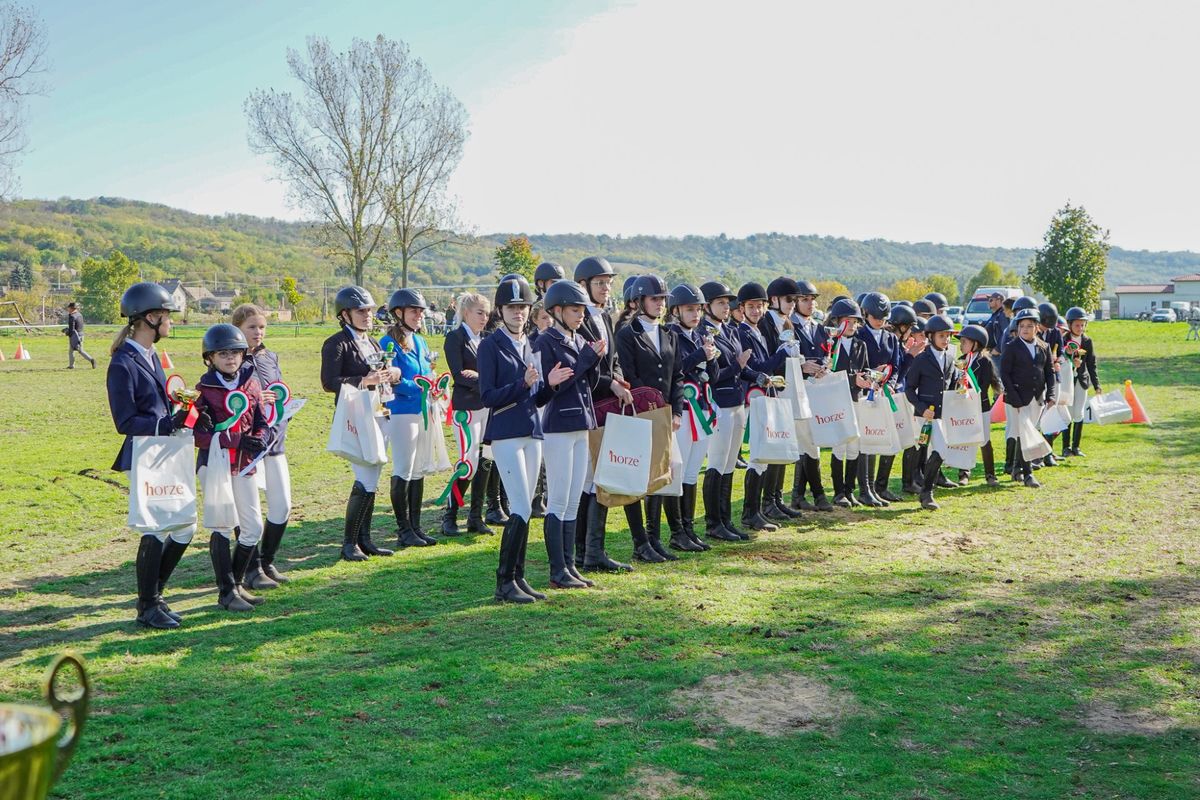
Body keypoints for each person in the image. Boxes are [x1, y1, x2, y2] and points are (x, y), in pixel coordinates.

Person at [106, 283, 198, 629]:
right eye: (167, 317)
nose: (171, 323)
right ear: (151, 318)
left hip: (165, 449)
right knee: (157, 529)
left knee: (186, 526)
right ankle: (147, 606)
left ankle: (155, 595)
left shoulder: (151, 357)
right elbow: (124, 420)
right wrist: (165, 422)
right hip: (144, 453)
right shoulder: (123, 363)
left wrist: (184, 413)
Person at [478, 274, 568, 602]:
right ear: (500, 310)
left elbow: (537, 396)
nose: (518, 312)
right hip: (505, 433)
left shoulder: (531, 343)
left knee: (527, 508)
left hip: (532, 431)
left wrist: (551, 384)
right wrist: (522, 384)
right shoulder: (490, 345)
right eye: (512, 307)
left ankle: (518, 577)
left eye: (523, 307)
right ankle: (504, 582)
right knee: (517, 505)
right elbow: (488, 395)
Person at [320, 286, 401, 562]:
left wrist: (390, 375)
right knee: (364, 477)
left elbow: (382, 374)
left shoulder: (375, 342)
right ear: (345, 314)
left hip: (379, 412)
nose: (367, 315)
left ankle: (365, 540)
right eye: (360, 311)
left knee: (374, 474)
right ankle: (348, 543)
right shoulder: (336, 343)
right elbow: (329, 383)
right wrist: (363, 381)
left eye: (368, 310)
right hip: (355, 415)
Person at [192, 323, 270, 611]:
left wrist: (261, 437)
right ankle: (226, 592)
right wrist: (234, 438)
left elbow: (262, 420)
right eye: (222, 353)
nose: (230, 358)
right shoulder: (201, 391)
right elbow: (197, 434)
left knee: (252, 527)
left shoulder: (251, 382)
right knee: (224, 525)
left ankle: (236, 584)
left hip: (245, 463)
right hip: (215, 463)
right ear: (210, 358)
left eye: (235, 352)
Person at [534, 279, 604, 588]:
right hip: (559, 424)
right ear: (558, 310)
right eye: (575, 310)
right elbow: (554, 387)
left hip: (580, 422)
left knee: (575, 498)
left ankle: (570, 566)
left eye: (582, 310)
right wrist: (587, 360)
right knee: (559, 499)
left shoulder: (577, 340)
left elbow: (586, 380)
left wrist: (594, 361)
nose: (580, 316)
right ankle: (556, 570)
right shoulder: (545, 341)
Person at [615, 275, 688, 563]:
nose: (660, 304)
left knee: (661, 474)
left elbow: (677, 375)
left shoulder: (670, 333)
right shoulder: (626, 334)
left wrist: (678, 411)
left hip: (665, 414)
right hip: (639, 413)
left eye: (662, 299)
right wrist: (648, 408)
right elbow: (629, 375)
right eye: (655, 299)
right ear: (639, 301)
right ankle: (639, 542)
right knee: (636, 477)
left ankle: (654, 537)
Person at [573, 257, 635, 573]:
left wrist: (619, 379)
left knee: (598, 476)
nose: (606, 288)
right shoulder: (579, 321)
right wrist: (611, 383)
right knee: (589, 477)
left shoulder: (606, 317)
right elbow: (587, 369)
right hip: (589, 403)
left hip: (608, 402)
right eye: (600, 283)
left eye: (608, 283)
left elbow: (614, 360)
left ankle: (591, 549)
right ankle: (585, 549)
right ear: (583, 286)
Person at [233, 304, 294, 590]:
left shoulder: (270, 356)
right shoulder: (232, 360)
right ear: (238, 329)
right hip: (247, 445)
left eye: (261, 327)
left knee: (282, 506)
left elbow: (278, 391)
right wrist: (258, 401)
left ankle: (267, 561)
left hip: (275, 441)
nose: (258, 332)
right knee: (250, 512)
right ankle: (251, 568)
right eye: (251, 327)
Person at [699, 280, 762, 543]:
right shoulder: (705, 333)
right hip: (719, 404)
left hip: (737, 403)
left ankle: (726, 519)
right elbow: (713, 376)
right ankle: (714, 522)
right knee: (716, 463)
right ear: (708, 306)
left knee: (728, 465)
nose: (727, 307)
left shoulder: (730, 330)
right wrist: (738, 367)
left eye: (727, 303)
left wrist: (758, 375)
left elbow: (741, 368)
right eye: (721, 303)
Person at [380, 288, 440, 548]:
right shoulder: (387, 343)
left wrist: (434, 385)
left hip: (422, 410)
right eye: (414, 311)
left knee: (417, 471)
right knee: (403, 468)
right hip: (402, 411)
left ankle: (416, 526)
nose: (419, 315)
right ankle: (403, 529)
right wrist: (417, 385)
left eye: (420, 311)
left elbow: (426, 372)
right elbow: (390, 380)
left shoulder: (421, 341)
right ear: (399, 312)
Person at [664, 283, 721, 552]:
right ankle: (677, 531)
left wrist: (710, 358)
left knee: (692, 472)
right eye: (689, 309)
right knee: (679, 470)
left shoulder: (701, 335)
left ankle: (688, 526)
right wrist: (700, 355)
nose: (695, 314)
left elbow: (715, 376)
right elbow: (676, 369)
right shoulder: (671, 334)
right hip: (683, 410)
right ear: (676, 311)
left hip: (702, 408)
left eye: (698, 309)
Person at [442, 292, 500, 536]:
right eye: (480, 313)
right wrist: (487, 381)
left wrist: (483, 380)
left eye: (487, 313)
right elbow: (459, 375)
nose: (484, 318)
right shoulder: (454, 338)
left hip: (487, 407)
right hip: (466, 409)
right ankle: (450, 515)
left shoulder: (487, 339)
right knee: (468, 463)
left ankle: (476, 516)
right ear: (466, 312)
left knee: (486, 459)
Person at [735, 281, 789, 530]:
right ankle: (750, 511)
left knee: (764, 455)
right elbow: (758, 366)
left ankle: (756, 509)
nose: (756, 310)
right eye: (751, 306)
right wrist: (783, 352)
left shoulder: (760, 331)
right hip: (752, 396)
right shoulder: (741, 332)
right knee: (757, 455)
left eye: (760, 306)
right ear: (743, 308)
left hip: (765, 394)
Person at [758, 277, 804, 522]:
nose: (793, 304)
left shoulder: (788, 323)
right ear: (774, 299)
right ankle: (767, 501)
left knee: (785, 442)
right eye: (789, 299)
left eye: (795, 300)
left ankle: (776, 498)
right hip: (770, 389)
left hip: (787, 388)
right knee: (773, 444)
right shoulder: (765, 323)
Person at [904, 313, 961, 509]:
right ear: (931, 336)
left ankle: (926, 491)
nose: (945, 340)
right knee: (936, 449)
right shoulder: (921, 359)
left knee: (938, 451)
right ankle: (926, 493)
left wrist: (960, 386)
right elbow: (909, 389)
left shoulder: (950, 358)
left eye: (947, 336)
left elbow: (951, 385)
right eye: (941, 336)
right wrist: (920, 408)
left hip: (943, 414)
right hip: (925, 415)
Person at [788, 279, 833, 511]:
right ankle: (818, 494)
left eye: (812, 300)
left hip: (817, 390)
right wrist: (801, 365)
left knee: (811, 442)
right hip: (799, 389)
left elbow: (825, 353)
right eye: (805, 300)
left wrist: (826, 365)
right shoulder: (789, 326)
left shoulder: (819, 328)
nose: (810, 304)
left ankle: (798, 494)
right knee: (809, 443)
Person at [999, 308, 1056, 488]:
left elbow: (1050, 372)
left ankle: (1017, 468)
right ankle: (1028, 473)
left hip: (1037, 397)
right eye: (1022, 326)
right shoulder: (1011, 347)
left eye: (1029, 326)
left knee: (1028, 432)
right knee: (1024, 435)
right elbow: (1005, 374)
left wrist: (1051, 394)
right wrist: (1014, 397)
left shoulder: (1044, 347)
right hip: (1017, 398)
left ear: (1037, 327)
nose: (1025, 329)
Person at [824, 298, 873, 507]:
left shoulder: (861, 345)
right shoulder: (831, 344)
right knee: (839, 446)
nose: (852, 325)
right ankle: (838, 492)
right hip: (837, 400)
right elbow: (831, 373)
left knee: (854, 445)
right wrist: (854, 378)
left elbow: (866, 367)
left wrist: (871, 378)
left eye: (855, 322)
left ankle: (849, 490)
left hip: (856, 398)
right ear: (837, 321)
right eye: (847, 321)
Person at [855, 292, 899, 506]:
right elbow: (858, 364)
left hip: (883, 392)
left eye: (883, 318)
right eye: (875, 317)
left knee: (877, 437)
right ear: (866, 314)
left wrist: (889, 381)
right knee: (866, 439)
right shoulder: (860, 335)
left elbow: (895, 365)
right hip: (865, 392)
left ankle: (873, 487)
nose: (880, 321)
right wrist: (871, 375)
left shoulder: (891, 337)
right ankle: (864, 488)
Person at [953, 324, 1003, 486]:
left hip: (980, 406)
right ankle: (964, 472)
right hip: (963, 408)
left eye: (964, 342)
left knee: (984, 440)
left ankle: (990, 474)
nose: (961, 345)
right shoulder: (960, 361)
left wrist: (968, 388)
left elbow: (984, 385)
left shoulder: (985, 362)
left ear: (976, 343)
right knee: (965, 439)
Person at [888, 308, 927, 495]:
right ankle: (905, 482)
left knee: (912, 439)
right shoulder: (893, 342)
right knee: (905, 439)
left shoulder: (897, 342)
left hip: (902, 394)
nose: (912, 332)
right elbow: (899, 373)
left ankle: (910, 480)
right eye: (910, 328)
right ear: (902, 327)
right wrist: (910, 356)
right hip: (897, 395)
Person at [1061, 307, 1099, 458]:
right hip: (1067, 380)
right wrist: (1070, 362)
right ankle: (1065, 447)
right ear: (1070, 325)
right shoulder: (1064, 339)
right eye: (1077, 325)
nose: (1080, 328)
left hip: (1082, 380)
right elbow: (1059, 357)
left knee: (1079, 412)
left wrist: (1097, 385)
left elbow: (1091, 363)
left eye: (1083, 325)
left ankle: (1076, 446)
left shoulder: (1087, 341)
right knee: (1068, 413)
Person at [1036, 301, 1064, 467]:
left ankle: (1049, 452)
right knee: (1039, 417)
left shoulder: (1055, 333)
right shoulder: (1033, 333)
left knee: (1051, 415)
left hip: (1053, 376)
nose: (1046, 330)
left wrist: (1058, 359)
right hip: (1039, 377)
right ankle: (1037, 453)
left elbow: (1059, 351)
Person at [65, 301, 96, 368]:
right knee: (74, 350)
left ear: (71, 308)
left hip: (75, 336)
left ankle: (91, 360)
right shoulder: (79, 315)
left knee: (76, 351)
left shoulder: (72, 316)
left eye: (69, 308)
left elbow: (72, 329)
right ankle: (72, 365)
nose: (68, 309)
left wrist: (67, 332)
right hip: (81, 334)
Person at [983, 292, 1007, 356]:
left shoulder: (1003, 315)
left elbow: (1006, 333)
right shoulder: (995, 315)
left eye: (991, 300)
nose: (988, 302)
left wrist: (998, 349)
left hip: (998, 354)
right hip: (990, 351)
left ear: (999, 301)